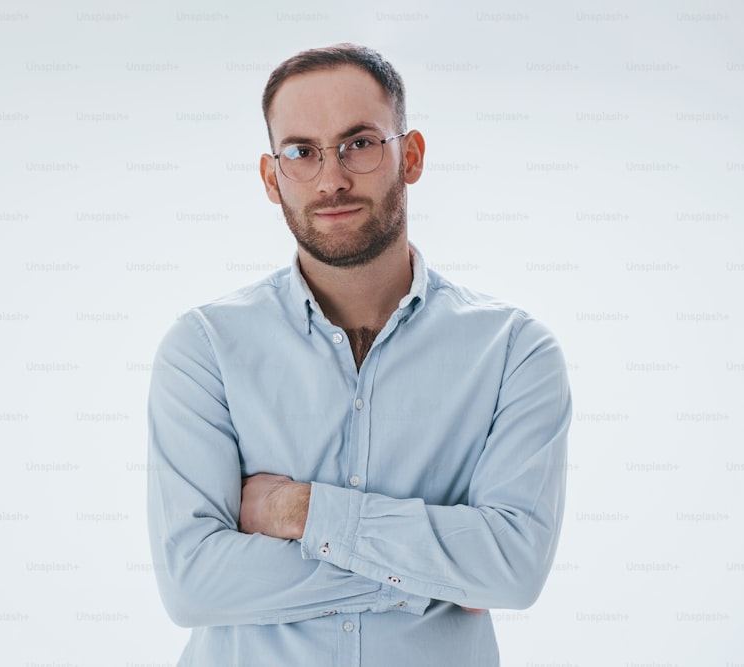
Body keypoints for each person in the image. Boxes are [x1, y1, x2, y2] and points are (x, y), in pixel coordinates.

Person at [146, 43, 572, 667]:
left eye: (360, 143)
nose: (331, 178)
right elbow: (193, 583)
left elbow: (512, 568)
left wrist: (296, 509)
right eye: (302, 152)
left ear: (412, 155)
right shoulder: (205, 348)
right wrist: (437, 574)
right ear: (272, 178)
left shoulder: (512, 352)